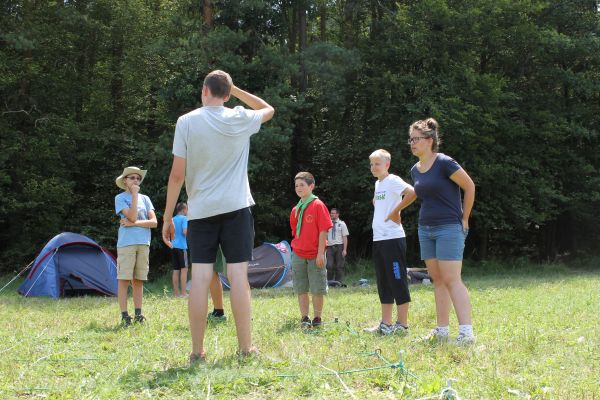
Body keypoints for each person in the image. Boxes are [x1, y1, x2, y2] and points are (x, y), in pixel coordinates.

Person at [162, 70, 274, 363]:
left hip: (199, 211)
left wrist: (166, 218)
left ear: (204, 90)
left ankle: (197, 352)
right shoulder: (239, 117)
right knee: (238, 277)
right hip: (237, 208)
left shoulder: (186, 122)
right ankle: (245, 348)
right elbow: (268, 109)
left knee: (199, 278)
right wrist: (236, 91)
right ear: (227, 94)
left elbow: (176, 176)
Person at [388, 118, 476, 344]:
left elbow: (469, 186)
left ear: (429, 140)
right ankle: (442, 330)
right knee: (437, 279)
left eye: (416, 139)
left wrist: (464, 218)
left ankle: (466, 333)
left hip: (449, 227)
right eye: (411, 139)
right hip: (426, 228)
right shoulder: (415, 170)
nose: (412, 143)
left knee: (451, 279)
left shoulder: (445, 162)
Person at [364, 149, 416, 335]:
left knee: (397, 279)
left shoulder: (393, 180)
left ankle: (402, 325)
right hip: (379, 239)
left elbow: (412, 192)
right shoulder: (378, 184)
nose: (373, 167)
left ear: (387, 165)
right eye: (371, 164)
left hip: (393, 239)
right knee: (383, 281)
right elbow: (380, 202)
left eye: (377, 164)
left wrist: (396, 211)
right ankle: (385, 324)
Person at [114, 166, 157, 326]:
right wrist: (133, 195)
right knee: (124, 280)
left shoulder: (145, 199)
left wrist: (133, 224)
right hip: (126, 244)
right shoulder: (120, 198)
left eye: (138, 178)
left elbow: (154, 222)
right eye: (132, 178)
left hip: (143, 243)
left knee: (138, 280)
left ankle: (139, 314)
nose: (136, 180)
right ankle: (125, 316)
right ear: (125, 181)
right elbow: (131, 215)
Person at [290, 172, 332, 328]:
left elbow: (323, 230)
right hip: (298, 254)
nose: (299, 188)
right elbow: (296, 232)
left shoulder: (318, 205)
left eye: (302, 185)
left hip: (315, 254)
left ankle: (317, 318)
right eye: (296, 186)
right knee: (301, 287)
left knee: (317, 288)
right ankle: (304, 317)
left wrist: (321, 253)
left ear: (311, 186)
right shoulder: (296, 209)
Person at [165, 202, 190, 297]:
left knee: (176, 270)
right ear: (184, 210)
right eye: (187, 209)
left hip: (173, 246)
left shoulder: (172, 219)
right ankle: (184, 293)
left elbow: (168, 232)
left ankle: (176, 294)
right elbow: (184, 232)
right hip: (182, 247)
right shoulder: (184, 218)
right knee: (184, 269)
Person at [326, 208, 349, 285]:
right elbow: (325, 236)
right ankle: (329, 282)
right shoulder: (328, 223)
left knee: (339, 266)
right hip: (329, 247)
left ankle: (338, 283)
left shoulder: (342, 224)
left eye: (333, 213)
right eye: (331, 213)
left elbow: (345, 237)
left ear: (337, 214)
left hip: (339, 246)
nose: (331, 214)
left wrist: (345, 249)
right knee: (329, 265)